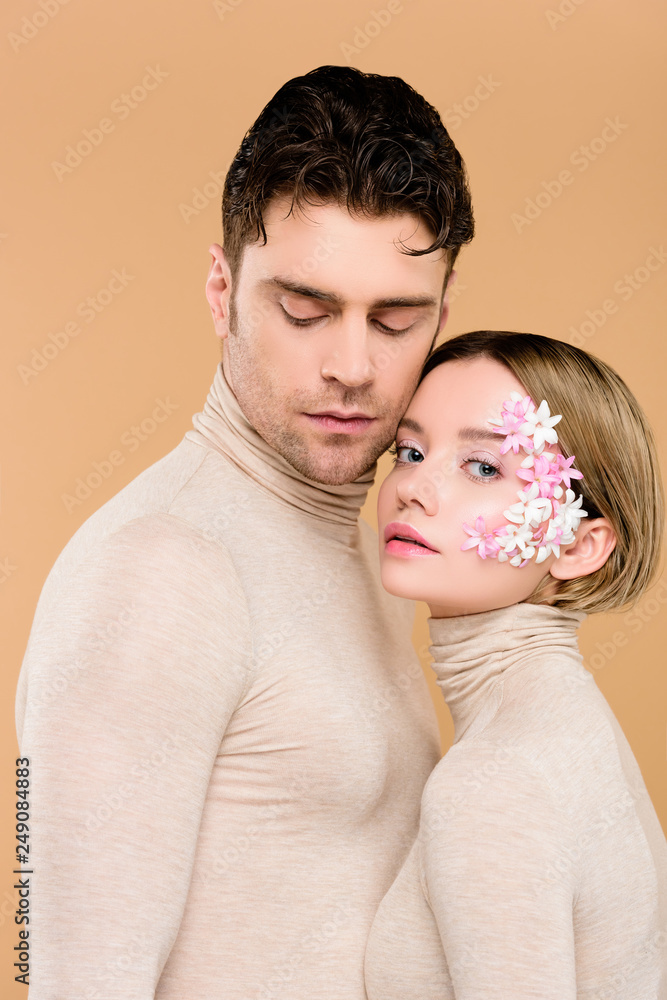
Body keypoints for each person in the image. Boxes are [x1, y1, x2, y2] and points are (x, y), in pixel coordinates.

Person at [14, 66, 474, 998]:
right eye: (304, 310)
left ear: (443, 315)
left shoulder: (370, 548)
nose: (352, 366)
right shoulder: (160, 572)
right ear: (221, 291)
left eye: (395, 321)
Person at [365, 330, 667, 999]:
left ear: (580, 547)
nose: (414, 488)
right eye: (409, 451)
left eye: (482, 467)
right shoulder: (564, 726)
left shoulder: (497, 779)